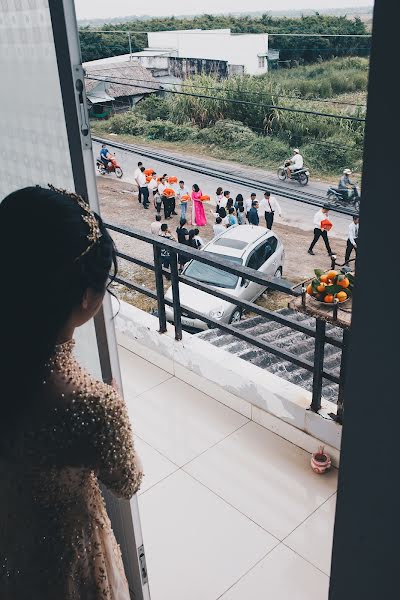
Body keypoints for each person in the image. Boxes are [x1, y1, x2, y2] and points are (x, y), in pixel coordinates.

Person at [0, 185, 143, 600]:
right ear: (86, 296)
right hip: (67, 557)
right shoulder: (92, 402)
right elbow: (126, 482)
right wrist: (118, 406)